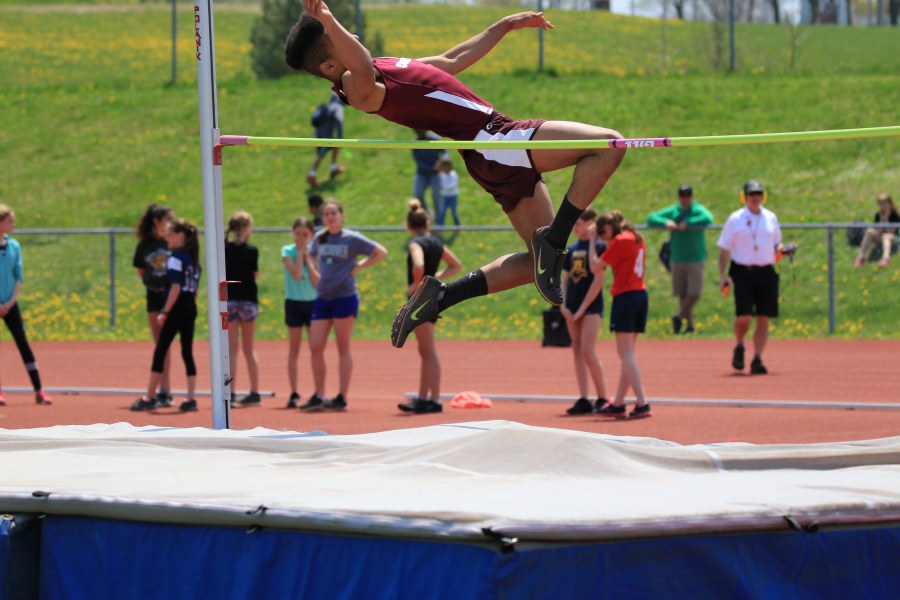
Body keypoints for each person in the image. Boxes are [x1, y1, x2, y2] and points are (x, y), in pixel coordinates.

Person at [285, 6, 626, 350]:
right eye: (341, 36)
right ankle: (553, 242)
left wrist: (504, 25)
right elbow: (357, 63)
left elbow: (451, 60)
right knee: (609, 146)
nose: (353, 35)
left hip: (491, 148)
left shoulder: (383, 66)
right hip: (494, 140)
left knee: (533, 262)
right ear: (330, 66)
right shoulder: (356, 86)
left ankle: (442, 296)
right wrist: (327, 18)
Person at [301, 200, 388, 412]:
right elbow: (310, 256)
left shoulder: (352, 238)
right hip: (323, 296)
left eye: (333, 213)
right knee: (315, 346)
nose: (329, 217)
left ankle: (341, 396)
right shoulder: (319, 237)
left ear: (342, 215)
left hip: (344, 296)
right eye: (326, 214)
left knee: (342, 346)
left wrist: (358, 267)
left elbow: (381, 252)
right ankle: (319, 394)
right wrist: (315, 272)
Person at [397, 199, 462, 414]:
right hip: (430, 298)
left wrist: (417, 286)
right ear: (427, 223)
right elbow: (456, 265)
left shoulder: (416, 244)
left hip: (420, 301)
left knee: (428, 351)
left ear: (409, 226)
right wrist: (435, 279)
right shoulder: (436, 243)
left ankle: (432, 399)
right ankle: (425, 397)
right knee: (426, 351)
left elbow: (418, 264)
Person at [131, 218, 202, 412]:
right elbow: (193, 289)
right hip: (190, 306)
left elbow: (176, 287)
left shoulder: (175, 258)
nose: (166, 237)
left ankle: (149, 396)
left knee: (161, 350)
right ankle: (190, 398)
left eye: (170, 233)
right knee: (187, 351)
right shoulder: (193, 259)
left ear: (180, 235)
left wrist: (164, 311)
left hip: (177, 306)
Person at [717, 180, 783, 376]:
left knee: (763, 318)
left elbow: (777, 244)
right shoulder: (735, 218)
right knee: (743, 316)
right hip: (743, 271)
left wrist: (783, 251)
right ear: (744, 197)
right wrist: (722, 276)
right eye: (751, 194)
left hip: (766, 271)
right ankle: (739, 344)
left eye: (758, 194)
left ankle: (757, 358)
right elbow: (724, 248)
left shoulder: (770, 217)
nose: (755, 198)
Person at [589, 210, 650, 419]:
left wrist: (591, 242)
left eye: (601, 232)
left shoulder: (621, 240)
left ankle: (642, 402)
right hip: (640, 294)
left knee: (625, 354)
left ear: (609, 227)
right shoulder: (635, 237)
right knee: (628, 354)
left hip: (626, 296)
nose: (600, 236)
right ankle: (618, 402)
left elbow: (595, 266)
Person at [0, 205, 52, 406]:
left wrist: (9, 302)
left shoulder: (14, 246)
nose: (13, 224)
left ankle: (39, 390)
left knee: (23, 344)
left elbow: (18, 277)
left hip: (11, 304)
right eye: (10, 221)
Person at [560, 209, 609, 416]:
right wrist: (562, 304)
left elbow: (598, 281)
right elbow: (566, 278)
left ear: (591, 224)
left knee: (588, 350)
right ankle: (584, 398)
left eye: (579, 223)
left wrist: (581, 309)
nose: (575, 228)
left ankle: (603, 397)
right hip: (572, 306)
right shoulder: (572, 249)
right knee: (577, 351)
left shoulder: (598, 246)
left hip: (590, 307)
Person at [647, 184, 714, 335]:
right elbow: (651, 217)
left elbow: (708, 217)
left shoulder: (696, 209)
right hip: (677, 257)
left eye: (688, 195)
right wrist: (666, 222)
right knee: (682, 293)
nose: (685, 199)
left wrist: (688, 223)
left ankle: (679, 316)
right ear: (679, 197)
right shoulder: (674, 210)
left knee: (694, 293)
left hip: (695, 257)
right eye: (682, 195)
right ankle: (689, 326)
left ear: (692, 196)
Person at [132, 203, 175, 406]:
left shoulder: (171, 242)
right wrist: (151, 282)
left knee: (165, 343)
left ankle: (165, 390)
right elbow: (141, 270)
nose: (170, 223)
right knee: (159, 344)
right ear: (156, 222)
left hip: (169, 296)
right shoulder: (145, 244)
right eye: (167, 219)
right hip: (153, 295)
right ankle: (162, 389)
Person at [281, 217, 320, 408]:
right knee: (294, 349)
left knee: (315, 348)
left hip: (312, 303)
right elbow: (296, 275)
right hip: (294, 303)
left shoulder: (315, 253)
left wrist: (308, 259)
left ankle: (318, 392)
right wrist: (300, 253)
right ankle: (294, 392)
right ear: (293, 233)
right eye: (298, 234)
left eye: (305, 235)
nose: (301, 238)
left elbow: (316, 281)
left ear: (311, 235)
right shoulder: (287, 251)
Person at [225, 211, 261, 407]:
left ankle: (231, 393)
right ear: (246, 228)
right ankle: (255, 392)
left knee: (232, 349)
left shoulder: (224, 249)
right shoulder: (252, 250)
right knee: (249, 348)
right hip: (248, 300)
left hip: (230, 300)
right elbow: (254, 274)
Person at [307, 91, 345, 188]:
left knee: (333, 148)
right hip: (326, 136)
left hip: (320, 134)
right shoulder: (338, 107)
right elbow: (339, 121)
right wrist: (340, 137)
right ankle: (312, 175)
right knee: (321, 155)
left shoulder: (325, 106)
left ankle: (333, 169)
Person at [854, 193, 899, 267]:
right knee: (870, 231)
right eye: (880, 204)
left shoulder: (894, 215)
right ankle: (861, 256)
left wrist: (886, 219)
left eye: (884, 203)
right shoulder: (878, 215)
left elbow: (891, 231)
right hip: (881, 239)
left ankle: (886, 258)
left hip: (893, 240)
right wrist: (881, 220)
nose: (883, 206)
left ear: (890, 204)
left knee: (886, 236)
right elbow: (878, 231)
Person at [411, 130, 446, 216]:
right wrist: (433, 168)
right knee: (418, 193)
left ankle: (438, 219)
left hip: (435, 173)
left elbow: (445, 151)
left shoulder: (434, 139)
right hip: (422, 173)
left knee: (436, 196)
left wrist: (442, 161)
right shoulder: (414, 143)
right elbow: (419, 162)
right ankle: (426, 213)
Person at [436, 157, 461, 228]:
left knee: (454, 212)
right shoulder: (441, 174)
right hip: (445, 196)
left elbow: (452, 185)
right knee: (442, 211)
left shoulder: (454, 174)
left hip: (453, 196)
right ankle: (440, 226)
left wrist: (444, 187)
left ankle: (458, 226)